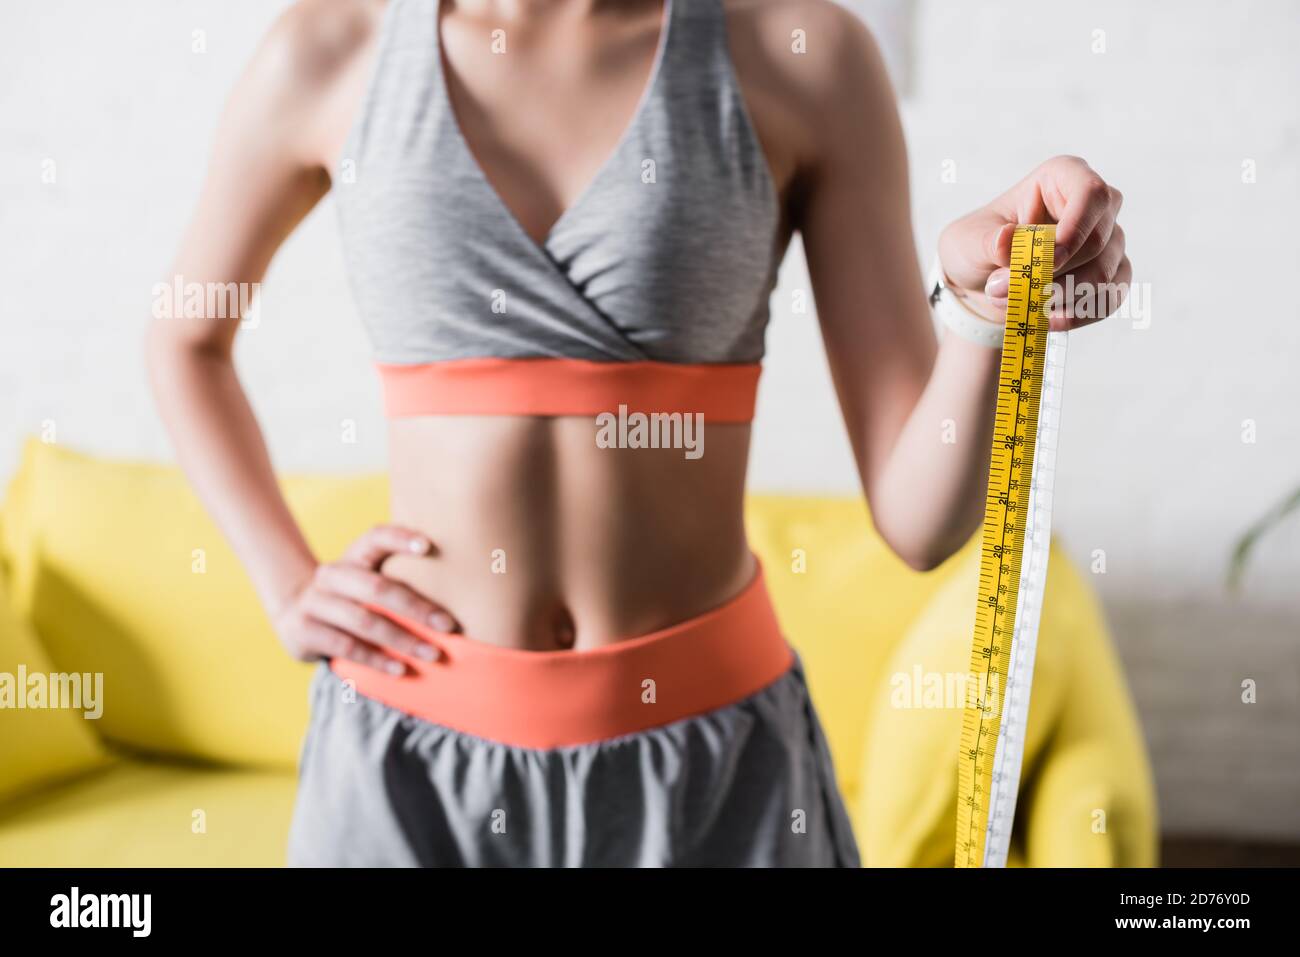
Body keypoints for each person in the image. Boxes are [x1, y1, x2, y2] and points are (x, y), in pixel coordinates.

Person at [145, 0, 1130, 867]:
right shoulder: (327, 48)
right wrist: (288, 585)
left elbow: (921, 525)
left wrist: (981, 308)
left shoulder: (803, 54)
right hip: (404, 765)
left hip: (711, 767)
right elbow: (185, 339)